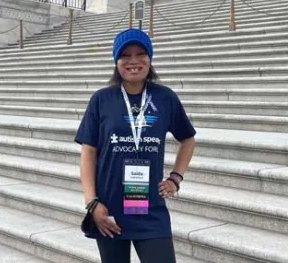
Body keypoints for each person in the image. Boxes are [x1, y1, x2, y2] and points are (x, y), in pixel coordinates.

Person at [75, 28, 197, 263]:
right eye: (125, 55)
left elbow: (188, 139)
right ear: (116, 61)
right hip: (108, 208)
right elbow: (88, 153)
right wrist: (92, 203)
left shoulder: (165, 98)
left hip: (150, 208)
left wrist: (175, 178)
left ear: (150, 59)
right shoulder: (101, 99)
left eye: (140, 54)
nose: (133, 61)